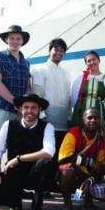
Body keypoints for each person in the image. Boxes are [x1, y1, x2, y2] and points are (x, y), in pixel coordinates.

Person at [0, 94, 55, 210]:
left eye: (33, 108)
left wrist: (19, 159)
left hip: (37, 172)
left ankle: (37, 206)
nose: (30, 111)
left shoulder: (47, 127)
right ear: (20, 109)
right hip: (15, 172)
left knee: (44, 164)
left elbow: (48, 152)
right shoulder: (9, 125)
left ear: (39, 109)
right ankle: (16, 199)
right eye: (26, 107)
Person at [31, 38, 72, 192]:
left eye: (62, 51)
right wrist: (41, 114)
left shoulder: (66, 73)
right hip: (46, 118)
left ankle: (53, 182)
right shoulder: (39, 69)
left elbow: (68, 98)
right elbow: (37, 94)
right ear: (49, 51)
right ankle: (42, 184)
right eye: (56, 49)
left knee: (59, 154)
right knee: (46, 152)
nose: (58, 53)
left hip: (62, 120)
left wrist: (69, 117)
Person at [58, 107, 105, 210]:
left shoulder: (102, 139)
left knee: (104, 192)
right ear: (83, 119)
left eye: (96, 118)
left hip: (89, 175)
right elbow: (64, 158)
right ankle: (68, 205)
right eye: (89, 117)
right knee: (66, 171)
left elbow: (100, 167)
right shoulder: (74, 133)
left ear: (100, 120)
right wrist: (89, 162)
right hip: (74, 172)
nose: (93, 120)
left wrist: (90, 180)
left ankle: (88, 197)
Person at [0, 25, 31, 147]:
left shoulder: (25, 63)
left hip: (18, 111)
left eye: (18, 38)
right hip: (1, 108)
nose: (15, 41)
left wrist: (24, 104)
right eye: (12, 38)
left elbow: (28, 86)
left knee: (16, 148)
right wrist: (16, 102)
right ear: (6, 39)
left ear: (22, 41)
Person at [71, 50, 105, 127]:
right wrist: (77, 112)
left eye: (94, 59)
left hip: (98, 111)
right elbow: (74, 97)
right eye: (89, 61)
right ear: (86, 64)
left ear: (99, 60)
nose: (92, 62)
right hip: (81, 111)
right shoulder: (81, 76)